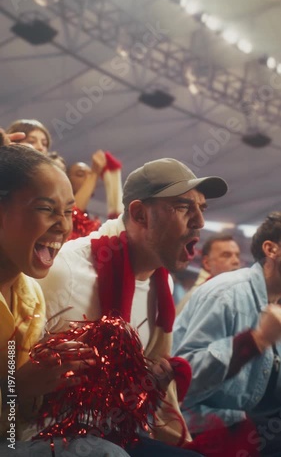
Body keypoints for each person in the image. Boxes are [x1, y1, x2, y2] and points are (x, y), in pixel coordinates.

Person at [39, 157, 227, 454]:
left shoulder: (160, 283)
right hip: (47, 439)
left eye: (201, 208)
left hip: (114, 434)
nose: (200, 222)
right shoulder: (66, 271)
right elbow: (12, 369)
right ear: (140, 214)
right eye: (182, 207)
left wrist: (151, 383)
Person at [0, 143, 129, 457]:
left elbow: (14, 426)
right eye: (46, 208)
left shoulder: (30, 296)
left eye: (69, 211)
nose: (64, 225)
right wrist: (14, 387)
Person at [173, 212, 281, 457]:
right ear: (271, 249)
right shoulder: (226, 294)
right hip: (203, 426)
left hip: (252, 423)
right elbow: (183, 379)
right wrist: (257, 340)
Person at [176, 234, 241, 313]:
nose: (236, 261)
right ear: (207, 263)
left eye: (237, 255)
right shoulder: (196, 298)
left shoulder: (237, 295)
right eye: (226, 255)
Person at [68, 150, 123, 239]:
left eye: (89, 174)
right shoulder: (63, 212)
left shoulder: (91, 220)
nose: (88, 178)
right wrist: (94, 173)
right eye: (80, 174)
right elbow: (73, 212)